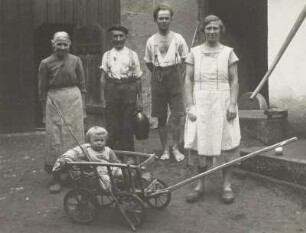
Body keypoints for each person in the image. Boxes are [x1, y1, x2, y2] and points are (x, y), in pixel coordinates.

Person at [184, 15, 241, 204]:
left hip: (223, 101)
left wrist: (232, 103)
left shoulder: (228, 53)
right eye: (208, 29)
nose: (212, 32)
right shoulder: (194, 53)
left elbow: (234, 81)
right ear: (203, 31)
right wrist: (190, 105)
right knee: (200, 142)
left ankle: (226, 186)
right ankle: (199, 185)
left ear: (220, 30)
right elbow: (188, 81)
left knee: (227, 142)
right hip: (200, 101)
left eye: (215, 28)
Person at [38, 31, 86, 193]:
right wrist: (44, 112)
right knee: (56, 138)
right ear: (53, 44)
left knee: (74, 136)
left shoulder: (76, 60)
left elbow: (82, 85)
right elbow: (42, 89)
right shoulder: (45, 63)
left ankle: (74, 173)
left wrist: (83, 108)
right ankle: (57, 176)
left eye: (65, 44)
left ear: (70, 44)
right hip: (54, 100)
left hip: (74, 99)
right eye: (59, 44)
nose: (62, 47)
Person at [144, 3, 188, 162]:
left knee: (177, 115)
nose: (164, 21)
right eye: (161, 18)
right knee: (161, 117)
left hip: (175, 77)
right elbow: (149, 63)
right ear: (156, 20)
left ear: (171, 20)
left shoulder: (178, 38)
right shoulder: (151, 41)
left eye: (166, 18)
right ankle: (165, 149)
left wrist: (177, 76)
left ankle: (176, 148)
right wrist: (159, 75)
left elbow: (185, 59)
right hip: (158, 77)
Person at [100, 24, 143, 162]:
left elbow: (138, 78)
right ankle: (115, 156)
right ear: (111, 38)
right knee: (113, 125)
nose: (118, 39)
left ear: (126, 37)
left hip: (129, 91)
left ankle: (129, 155)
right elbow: (103, 79)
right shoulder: (107, 55)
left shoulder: (132, 54)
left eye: (121, 36)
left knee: (127, 125)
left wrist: (140, 99)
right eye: (115, 36)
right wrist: (102, 98)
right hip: (112, 91)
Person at [52, 126, 122, 192]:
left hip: (108, 169)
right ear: (89, 141)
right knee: (103, 179)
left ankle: (120, 181)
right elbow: (80, 160)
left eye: (102, 140)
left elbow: (114, 161)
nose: (99, 143)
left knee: (120, 170)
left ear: (105, 141)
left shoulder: (108, 150)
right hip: (98, 172)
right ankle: (109, 189)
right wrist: (84, 163)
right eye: (96, 140)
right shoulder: (87, 150)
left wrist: (116, 166)